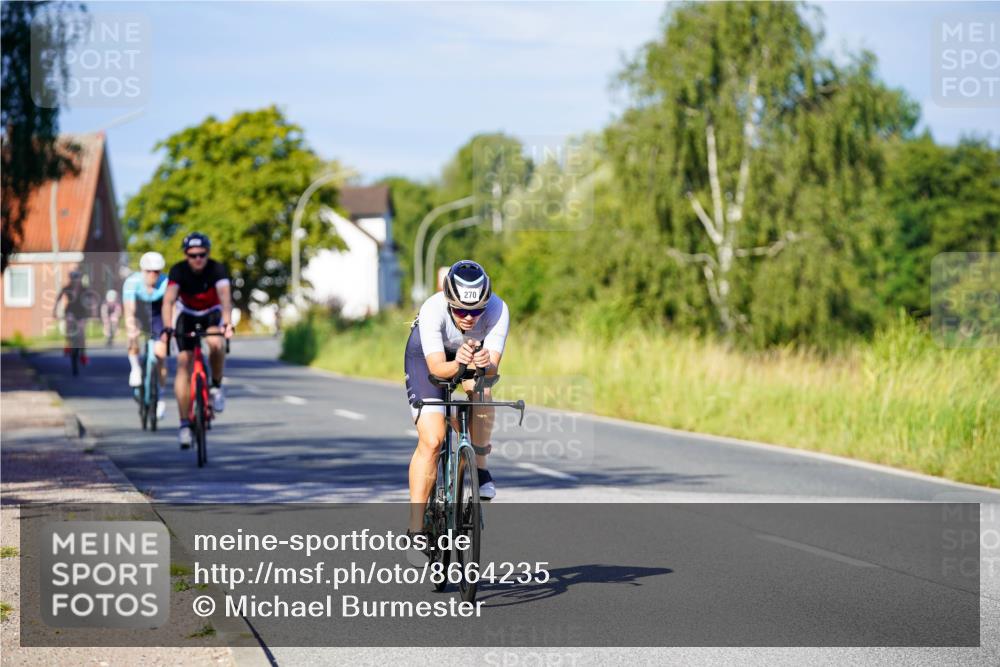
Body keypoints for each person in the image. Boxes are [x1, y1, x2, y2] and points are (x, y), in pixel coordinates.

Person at [404, 260, 509, 548]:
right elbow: (438, 369)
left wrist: (485, 365)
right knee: (433, 440)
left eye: (477, 311)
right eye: (461, 310)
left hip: (472, 355)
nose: (469, 318)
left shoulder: (498, 309)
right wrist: (458, 362)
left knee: (482, 393)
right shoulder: (433, 309)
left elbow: (491, 372)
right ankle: (416, 529)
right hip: (427, 358)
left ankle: (481, 468)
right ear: (448, 300)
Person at [160, 232, 234, 449]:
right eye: (193, 255)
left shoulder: (217, 269)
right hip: (187, 315)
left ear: (207, 253)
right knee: (184, 363)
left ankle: (216, 386)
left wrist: (227, 323)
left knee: (215, 343)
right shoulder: (178, 270)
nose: (198, 259)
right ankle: (184, 424)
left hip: (211, 313)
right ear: (186, 255)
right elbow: (168, 301)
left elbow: (225, 298)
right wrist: (167, 327)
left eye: (202, 254)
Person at [122, 252, 169, 420]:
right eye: (148, 271)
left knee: (161, 353)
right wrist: (132, 327)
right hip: (139, 312)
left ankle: (160, 395)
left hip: (157, 315)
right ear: (142, 270)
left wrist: (169, 330)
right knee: (131, 333)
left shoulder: (166, 283)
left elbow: (170, 308)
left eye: (156, 271)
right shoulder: (132, 282)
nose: (152, 275)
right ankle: (135, 368)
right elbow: (129, 310)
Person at [53, 270, 94, 368]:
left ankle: (83, 353)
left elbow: (91, 300)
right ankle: (68, 342)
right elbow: (58, 298)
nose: (76, 280)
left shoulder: (84, 289)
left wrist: (92, 311)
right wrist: (54, 311)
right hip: (70, 311)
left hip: (81, 313)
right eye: (73, 278)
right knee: (69, 321)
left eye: (77, 278)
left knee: (81, 333)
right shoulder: (67, 288)